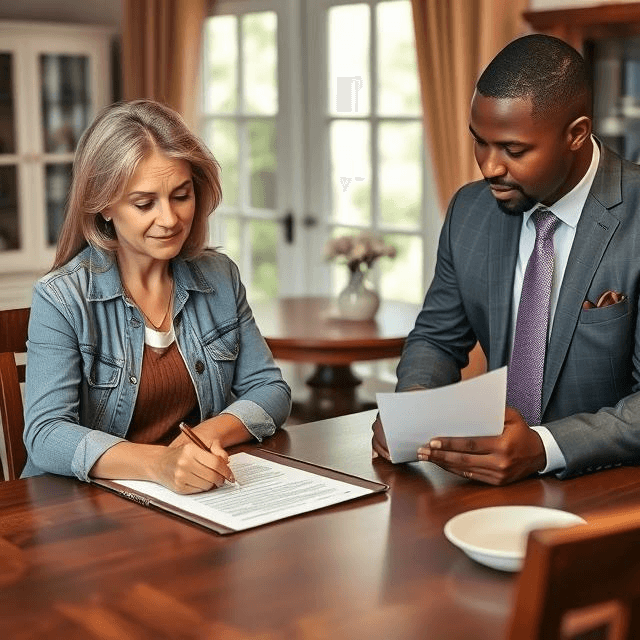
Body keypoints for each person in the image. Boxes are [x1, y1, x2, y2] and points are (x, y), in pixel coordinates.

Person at [373, 34, 640, 484]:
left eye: (513, 150)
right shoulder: (470, 211)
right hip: (488, 488)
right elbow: (438, 338)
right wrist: (411, 411)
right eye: (480, 142)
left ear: (576, 133)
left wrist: (543, 447)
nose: (490, 167)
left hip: (610, 493)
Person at [23, 99, 291, 493]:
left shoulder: (220, 277)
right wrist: (160, 463)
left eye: (181, 196)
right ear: (105, 205)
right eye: (145, 203)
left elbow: (271, 391)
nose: (169, 220)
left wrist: (199, 439)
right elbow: (46, 434)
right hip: (86, 510)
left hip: (195, 497)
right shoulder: (61, 298)